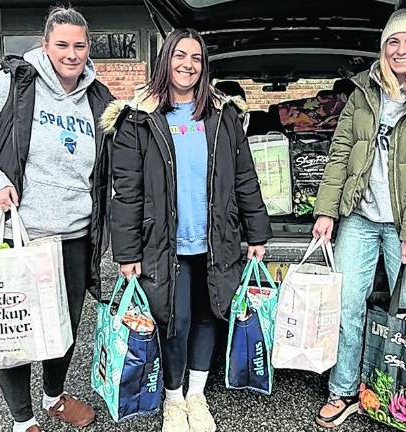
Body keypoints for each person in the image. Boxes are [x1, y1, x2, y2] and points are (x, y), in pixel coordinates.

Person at [0, 6, 114, 432]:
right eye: (62, 44)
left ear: (89, 48)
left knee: (63, 327)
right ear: (45, 44)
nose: (71, 54)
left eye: (79, 45)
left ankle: (53, 397)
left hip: (75, 236)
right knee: (13, 329)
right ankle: (22, 419)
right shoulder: (16, 84)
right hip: (22, 234)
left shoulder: (97, 97)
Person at [102, 28, 271, 432]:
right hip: (163, 242)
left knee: (210, 313)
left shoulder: (223, 115)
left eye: (196, 58)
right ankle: (173, 399)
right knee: (172, 320)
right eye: (180, 55)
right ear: (166, 60)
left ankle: (196, 395)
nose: (187, 65)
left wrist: (257, 232)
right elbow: (125, 189)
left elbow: (245, 176)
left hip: (216, 239)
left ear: (204, 65)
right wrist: (126, 253)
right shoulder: (139, 118)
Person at [311, 7, 406, 428]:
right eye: (393, 42)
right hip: (359, 219)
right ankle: (344, 390)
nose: (400, 50)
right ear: (383, 49)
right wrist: (326, 210)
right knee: (347, 305)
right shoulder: (363, 94)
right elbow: (341, 153)